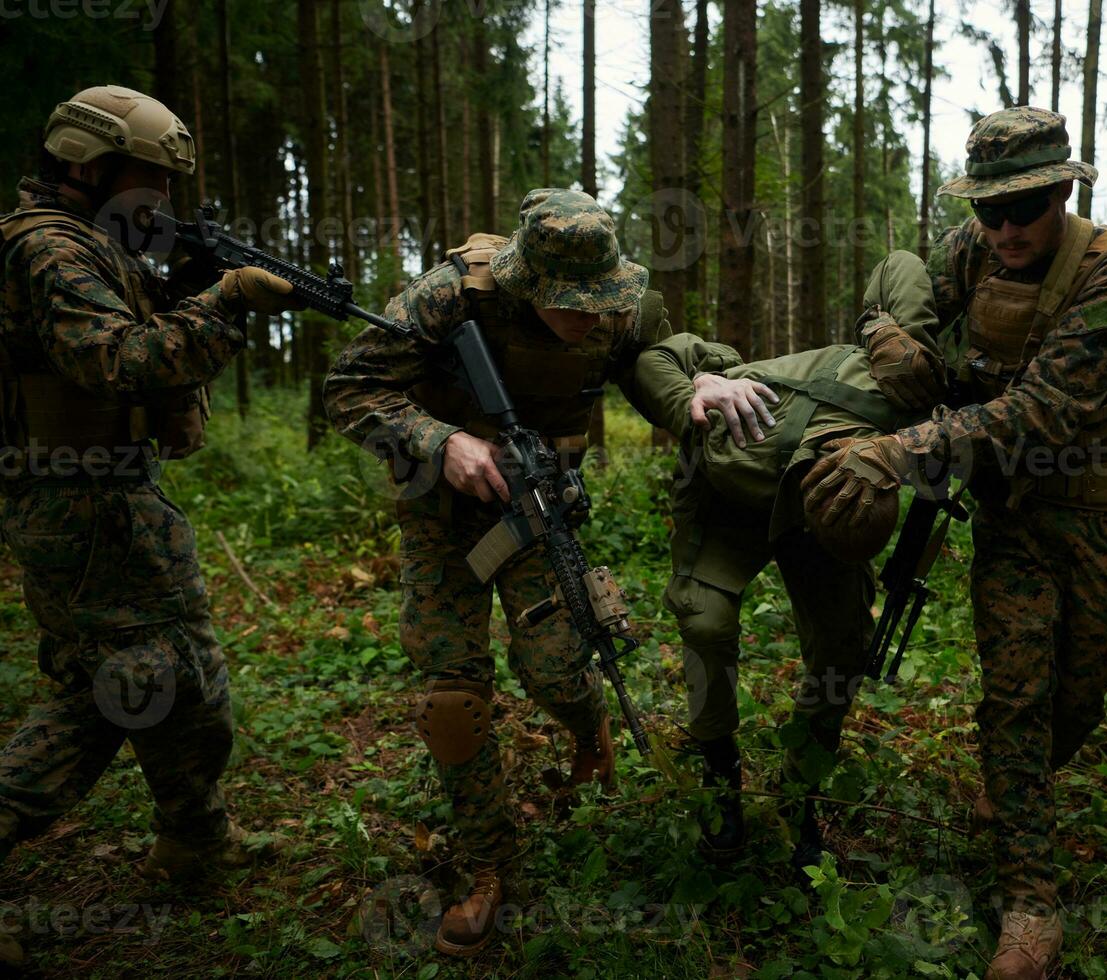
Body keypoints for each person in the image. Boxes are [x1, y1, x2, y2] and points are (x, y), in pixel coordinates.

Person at [806, 107, 1107, 980]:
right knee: (1015, 693)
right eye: (989, 212)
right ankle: (1029, 902)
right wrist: (889, 340)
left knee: (1083, 687)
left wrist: (907, 450)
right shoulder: (969, 252)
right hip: (1012, 507)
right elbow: (901, 313)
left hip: (1104, 506)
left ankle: (1018, 787)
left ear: (1063, 191)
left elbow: (1046, 408)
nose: (1005, 230)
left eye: (1025, 208)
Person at [323, 188, 671, 957]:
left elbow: (660, 368)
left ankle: (589, 728)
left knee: (557, 669)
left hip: (538, 507)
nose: (590, 317)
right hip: (438, 515)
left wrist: (700, 386)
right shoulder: (447, 296)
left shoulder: (623, 307)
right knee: (454, 696)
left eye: (599, 301)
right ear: (527, 283)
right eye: (570, 304)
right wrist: (439, 439)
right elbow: (347, 388)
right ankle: (487, 865)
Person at [0, 85, 299, 969]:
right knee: (129, 691)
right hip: (83, 505)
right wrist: (229, 301)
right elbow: (118, 361)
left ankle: (195, 838)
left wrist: (193, 285)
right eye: (149, 181)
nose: (161, 203)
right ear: (89, 166)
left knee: (151, 681)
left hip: (105, 497)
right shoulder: (52, 251)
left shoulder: (87, 243)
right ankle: (195, 837)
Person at [633, 330, 929, 867]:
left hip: (826, 498)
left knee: (844, 644)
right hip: (729, 497)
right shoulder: (731, 422)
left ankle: (801, 792)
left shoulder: (899, 408)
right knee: (705, 621)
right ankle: (720, 771)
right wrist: (697, 389)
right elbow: (658, 354)